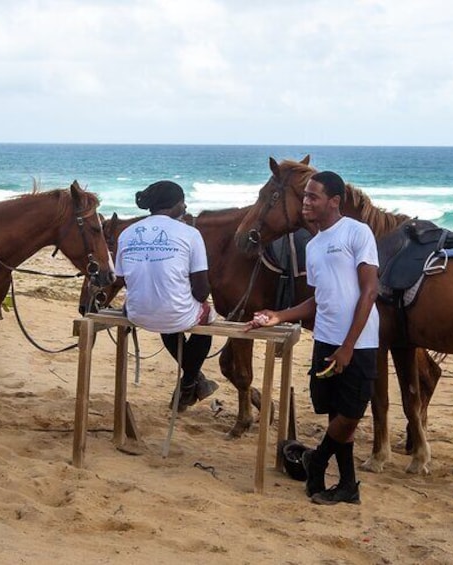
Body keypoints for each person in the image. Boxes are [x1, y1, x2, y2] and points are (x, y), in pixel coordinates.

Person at [247, 170, 379, 505]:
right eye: (305, 196)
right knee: (336, 415)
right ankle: (348, 486)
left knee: (350, 415)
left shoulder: (357, 232)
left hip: (359, 343)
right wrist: (278, 315)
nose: (306, 202)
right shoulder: (315, 245)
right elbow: (318, 298)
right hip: (325, 338)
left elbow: (369, 291)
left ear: (334, 202)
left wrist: (348, 346)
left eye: (313, 197)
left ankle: (316, 460)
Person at [114, 180, 218, 411]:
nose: (185, 207)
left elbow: (121, 278)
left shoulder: (127, 233)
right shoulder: (190, 233)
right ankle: (190, 380)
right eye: (183, 203)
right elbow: (202, 292)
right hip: (171, 316)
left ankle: (195, 381)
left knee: (167, 313)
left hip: (137, 314)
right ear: (176, 205)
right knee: (207, 316)